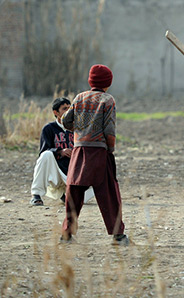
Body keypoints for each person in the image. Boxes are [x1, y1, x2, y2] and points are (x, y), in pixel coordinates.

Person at [60, 64, 129, 245]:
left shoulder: (80, 97)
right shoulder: (107, 100)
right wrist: (110, 150)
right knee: (108, 193)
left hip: (79, 151)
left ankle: (66, 235)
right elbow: (110, 130)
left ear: (91, 81)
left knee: (73, 192)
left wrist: (79, 130)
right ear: (108, 82)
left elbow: (66, 121)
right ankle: (118, 236)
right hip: (99, 151)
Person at [30, 97, 93, 206]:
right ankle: (36, 195)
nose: (69, 112)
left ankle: (67, 195)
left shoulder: (79, 129)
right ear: (56, 112)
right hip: (56, 171)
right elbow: (44, 151)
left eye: (70, 108)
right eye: (64, 109)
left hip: (75, 171)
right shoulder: (49, 128)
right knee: (46, 155)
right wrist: (60, 151)